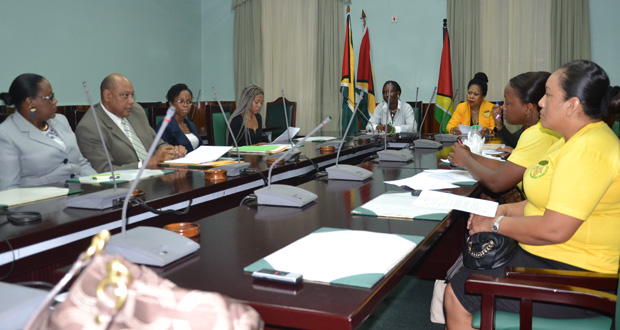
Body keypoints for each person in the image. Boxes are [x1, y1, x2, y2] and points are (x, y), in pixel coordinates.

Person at [444, 60, 620, 329]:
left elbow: (554, 229)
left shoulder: (588, 149)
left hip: (578, 277)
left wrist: (495, 224)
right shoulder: (570, 141)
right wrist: (499, 211)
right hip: (553, 258)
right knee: (468, 265)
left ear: (572, 105)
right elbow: (542, 203)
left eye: (548, 96)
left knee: (461, 289)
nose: (540, 103)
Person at [448, 72, 561, 193]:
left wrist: (466, 160)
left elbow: (496, 182)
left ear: (528, 108)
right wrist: (470, 155)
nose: (502, 107)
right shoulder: (538, 129)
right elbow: (507, 169)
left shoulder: (538, 134)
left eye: (507, 103)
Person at [0, 74, 97, 190]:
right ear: (30, 102)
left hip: (81, 193)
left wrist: (100, 185)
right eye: (50, 97)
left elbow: (81, 163)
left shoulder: (60, 121)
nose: (55, 101)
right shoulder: (6, 134)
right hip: (43, 203)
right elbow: (9, 189)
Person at [76, 73, 186, 172]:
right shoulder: (90, 127)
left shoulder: (136, 111)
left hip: (157, 179)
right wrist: (144, 165)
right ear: (107, 96)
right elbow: (104, 171)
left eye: (132, 95)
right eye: (125, 95)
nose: (131, 101)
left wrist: (173, 151)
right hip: (125, 189)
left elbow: (157, 143)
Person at [157, 83, 203, 152]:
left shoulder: (191, 125)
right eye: (181, 101)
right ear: (171, 103)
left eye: (189, 101)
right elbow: (161, 151)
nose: (185, 105)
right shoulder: (164, 126)